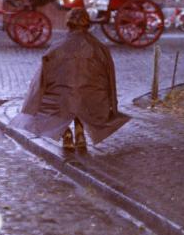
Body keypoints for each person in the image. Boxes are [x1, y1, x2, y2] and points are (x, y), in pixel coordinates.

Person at [10, 8, 130, 150]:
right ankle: (80, 133)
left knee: (63, 99)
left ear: (68, 24)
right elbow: (109, 78)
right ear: (87, 24)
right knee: (81, 99)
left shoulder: (56, 48)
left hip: (62, 99)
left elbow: (41, 79)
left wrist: (31, 105)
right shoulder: (100, 48)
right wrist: (112, 105)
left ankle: (66, 134)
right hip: (92, 98)